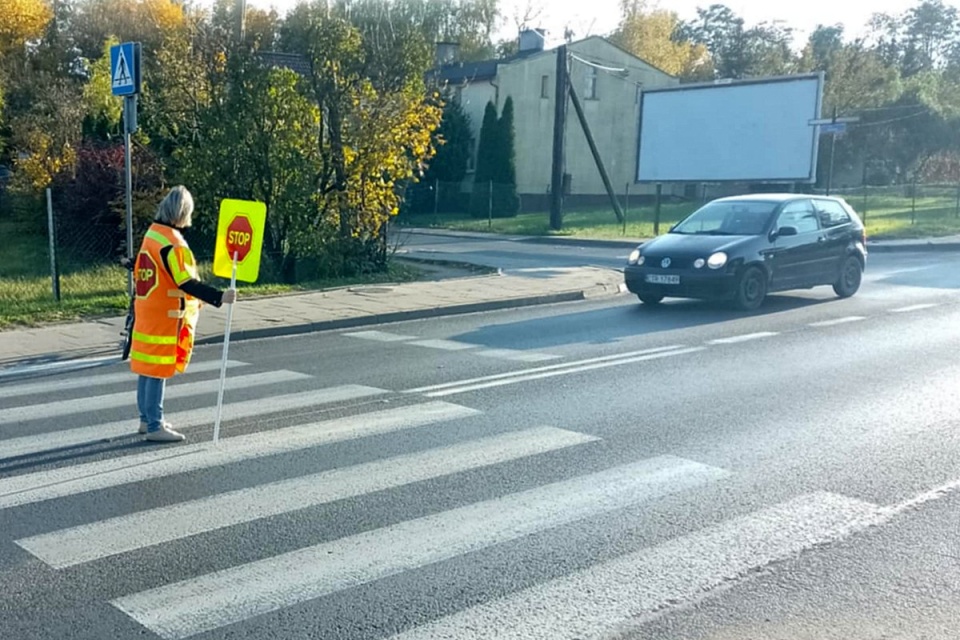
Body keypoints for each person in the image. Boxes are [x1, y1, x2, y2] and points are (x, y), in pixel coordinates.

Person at [129, 186, 237, 443]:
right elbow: (184, 282)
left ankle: (146, 419)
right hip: (164, 316)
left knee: (147, 369)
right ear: (183, 213)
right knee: (158, 370)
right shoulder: (172, 243)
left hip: (146, 310)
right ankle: (155, 426)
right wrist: (218, 297)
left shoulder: (153, 234)